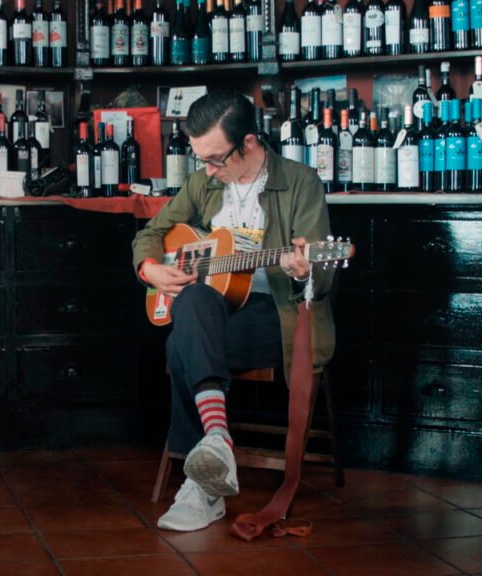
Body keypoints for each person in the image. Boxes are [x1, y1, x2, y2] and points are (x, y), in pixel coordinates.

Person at [132, 89, 336, 532]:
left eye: (215, 159)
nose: (208, 170)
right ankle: (217, 442)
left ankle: (203, 485)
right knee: (194, 303)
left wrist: (304, 271)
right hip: (213, 314)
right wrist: (151, 270)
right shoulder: (203, 183)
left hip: (276, 315)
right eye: (201, 159)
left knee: (181, 344)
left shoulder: (300, 182)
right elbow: (151, 233)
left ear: (248, 142)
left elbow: (320, 282)